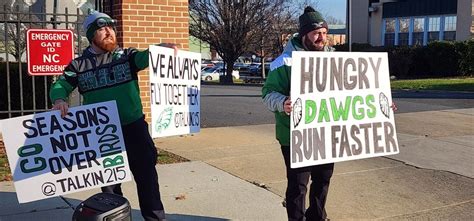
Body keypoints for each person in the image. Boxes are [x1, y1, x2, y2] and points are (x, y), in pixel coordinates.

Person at [50, 11, 176, 221]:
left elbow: (143, 57)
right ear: (91, 35)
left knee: (147, 178)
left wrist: (159, 49)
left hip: (134, 127)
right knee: (109, 186)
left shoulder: (126, 56)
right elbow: (61, 83)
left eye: (110, 27)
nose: (109, 32)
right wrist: (59, 99)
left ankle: (155, 218)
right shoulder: (78, 65)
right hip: (102, 132)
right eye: (101, 28)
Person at [262, 6, 335, 221]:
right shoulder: (283, 62)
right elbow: (267, 93)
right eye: (316, 33)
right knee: (298, 185)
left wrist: (378, 107)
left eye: (324, 33)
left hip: (326, 133)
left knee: (323, 181)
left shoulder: (334, 59)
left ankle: (317, 217)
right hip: (295, 135)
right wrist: (283, 102)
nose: (321, 37)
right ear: (304, 35)